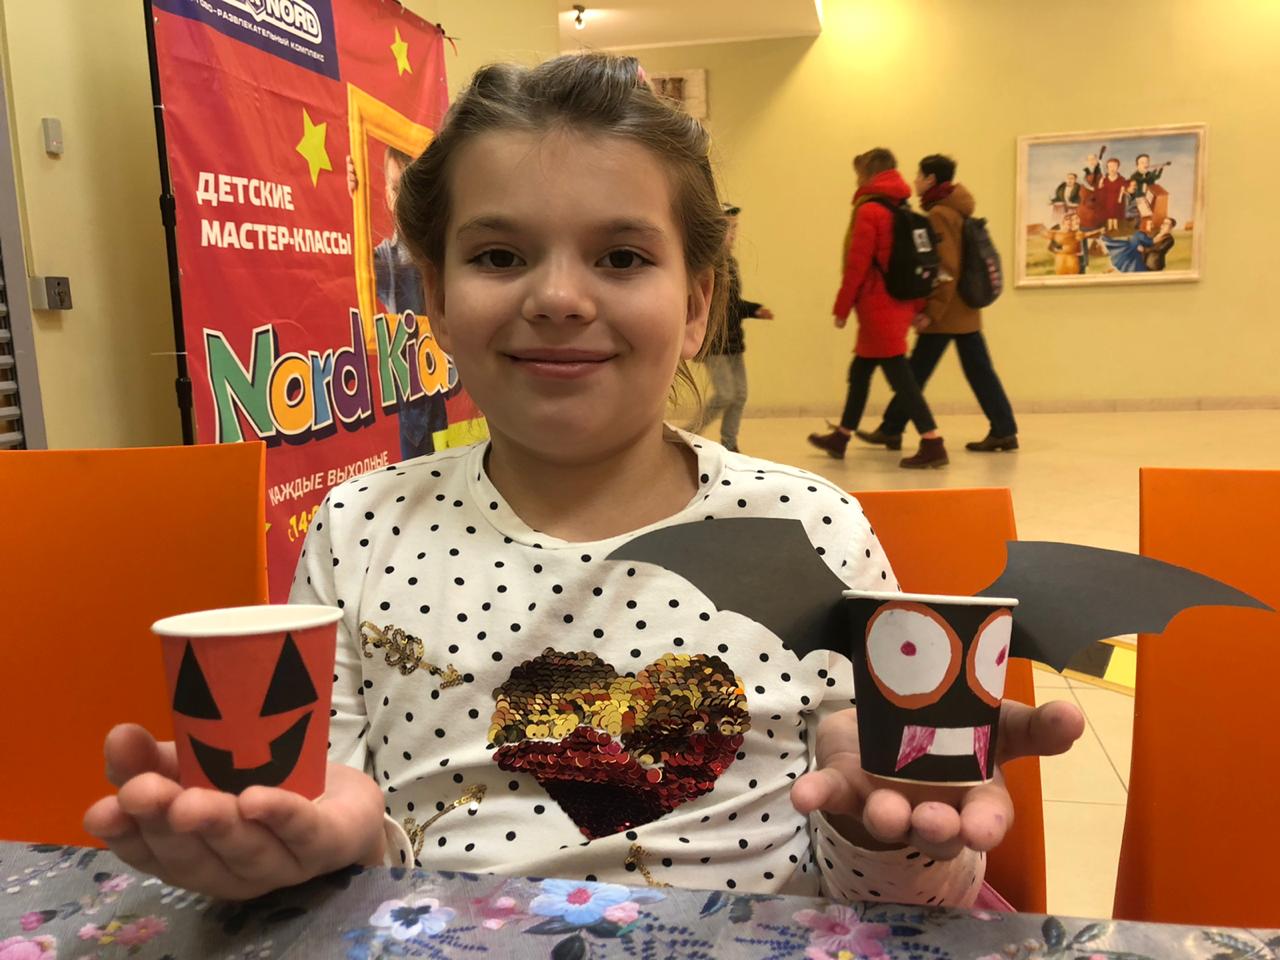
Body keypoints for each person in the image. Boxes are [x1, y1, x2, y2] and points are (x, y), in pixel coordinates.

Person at [83, 54, 1082, 907]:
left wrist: (885, 830)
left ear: (696, 305)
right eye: (499, 254)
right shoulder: (360, 529)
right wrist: (307, 846)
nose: (558, 297)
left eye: (620, 256)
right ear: (435, 298)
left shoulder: (810, 527)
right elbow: (342, 828)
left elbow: (912, 899)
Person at [858, 155, 1019, 454]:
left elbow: (946, 267)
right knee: (971, 370)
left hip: (948, 311)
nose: (915, 181)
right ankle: (1003, 429)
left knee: (917, 372)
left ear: (930, 179)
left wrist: (931, 311)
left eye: (919, 176)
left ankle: (892, 428)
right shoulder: (956, 208)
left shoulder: (939, 214)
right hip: (963, 309)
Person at [807, 148, 948, 468]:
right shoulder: (901, 207)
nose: (857, 180)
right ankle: (841, 437)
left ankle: (933, 442)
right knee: (860, 372)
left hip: (878, 307)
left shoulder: (870, 210)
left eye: (859, 174)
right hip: (899, 303)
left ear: (869, 174)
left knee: (901, 378)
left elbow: (857, 265)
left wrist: (842, 307)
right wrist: (918, 306)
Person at [348, 147, 455, 463]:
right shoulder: (385, 258)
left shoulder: (443, 252)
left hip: (445, 387)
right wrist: (353, 201)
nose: (404, 199)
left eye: (412, 189)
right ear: (386, 193)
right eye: (396, 189)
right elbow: (354, 271)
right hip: (412, 402)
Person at [686, 204, 773, 453]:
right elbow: (710, 306)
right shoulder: (706, 266)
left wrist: (754, 310)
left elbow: (732, 305)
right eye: (728, 228)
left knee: (740, 394)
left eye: (735, 228)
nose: (733, 234)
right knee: (725, 394)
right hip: (714, 342)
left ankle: (730, 443)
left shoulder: (731, 263)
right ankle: (689, 434)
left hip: (733, 341)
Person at [1095, 156, 1128, 233]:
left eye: (1114, 166)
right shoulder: (1104, 179)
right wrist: (1101, 181)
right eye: (1110, 166)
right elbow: (1100, 187)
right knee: (1109, 213)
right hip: (1107, 199)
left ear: (1118, 167)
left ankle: (1115, 227)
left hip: (1117, 198)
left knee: (1115, 213)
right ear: (1107, 168)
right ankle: (1110, 227)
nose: (1112, 168)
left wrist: (1120, 197)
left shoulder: (1121, 178)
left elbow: (1122, 189)